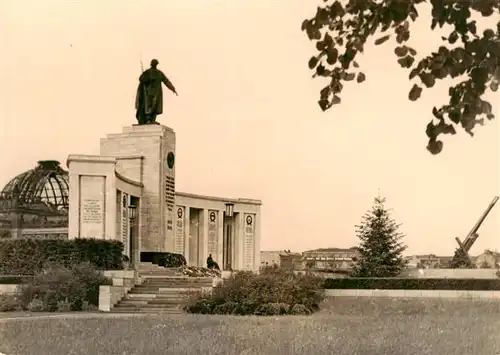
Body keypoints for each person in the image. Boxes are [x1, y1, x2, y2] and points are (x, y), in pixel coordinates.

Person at [135, 59, 178, 124]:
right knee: (148, 106)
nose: (154, 64)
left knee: (156, 106)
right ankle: (148, 119)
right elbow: (141, 79)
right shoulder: (147, 72)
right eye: (153, 63)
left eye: (155, 63)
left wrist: (172, 88)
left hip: (157, 93)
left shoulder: (159, 73)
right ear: (151, 64)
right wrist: (145, 78)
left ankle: (152, 119)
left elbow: (166, 81)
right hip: (148, 92)